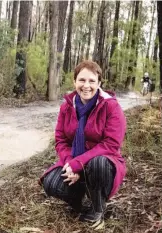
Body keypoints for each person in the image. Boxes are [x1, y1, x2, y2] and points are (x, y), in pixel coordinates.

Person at [39, 60, 127, 224]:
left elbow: (111, 144)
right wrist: (69, 163)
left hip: (103, 163)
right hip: (73, 160)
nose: (86, 85)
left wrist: (78, 163)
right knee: (51, 183)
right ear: (74, 81)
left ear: (99, 83)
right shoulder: (66, 107)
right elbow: (60, 140)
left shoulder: (111, 107)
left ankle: (97, 206)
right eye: (82, 80)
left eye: (92, 81)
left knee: (98, 163)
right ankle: (81, 200)